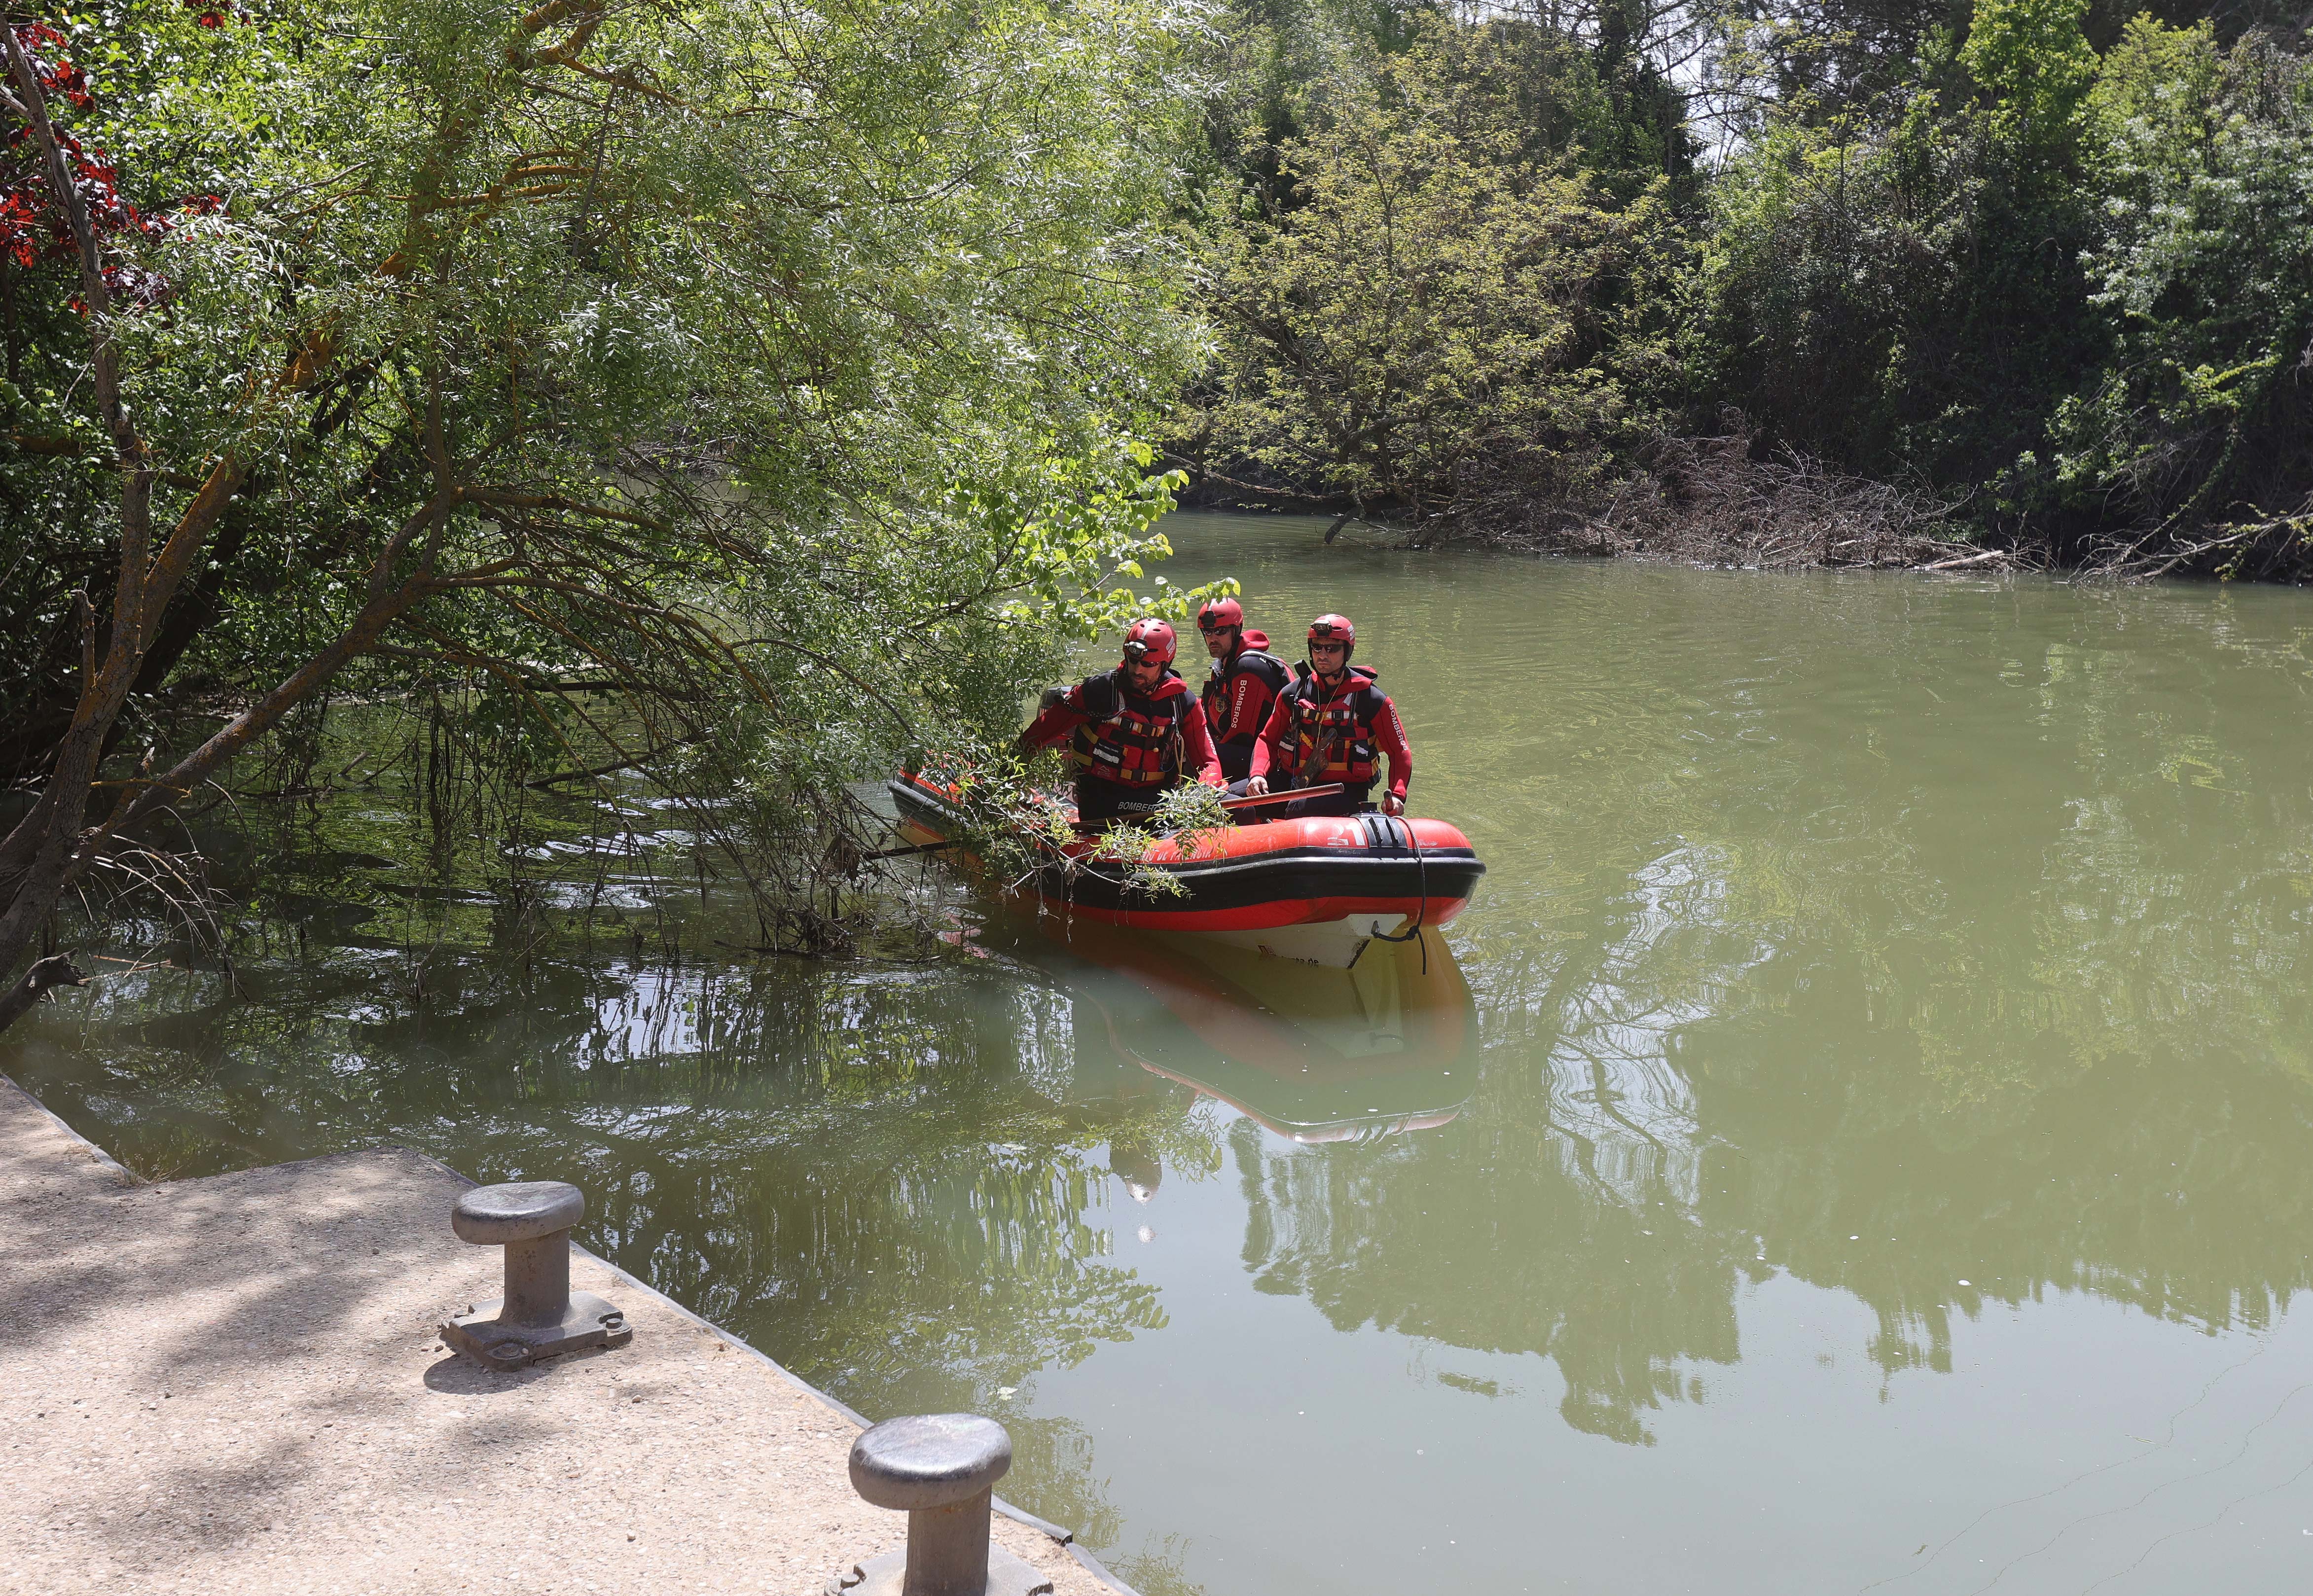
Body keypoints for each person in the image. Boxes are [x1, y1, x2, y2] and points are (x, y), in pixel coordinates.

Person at [1017, 618, 1225, 826]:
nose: (1137, 670)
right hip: (1101, 800)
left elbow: (1209, 763)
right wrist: (1006, 776)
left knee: (1236, 809)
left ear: (1165, 664)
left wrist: (1202, 794)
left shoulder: (1182, 702)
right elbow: (1038, 733)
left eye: (1148, 664)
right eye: (1133, 660)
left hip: (1158, 799)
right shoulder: (1100, 691)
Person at [1245, 613, 1411, 817]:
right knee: (1234, 802)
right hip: (1296, 781)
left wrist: (1397, 795)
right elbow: (1267, 739)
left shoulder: (1371, 699)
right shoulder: (1292, 694)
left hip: (1345, 790)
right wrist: (1257, 776)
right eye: (1317, 647)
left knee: (1299, 809)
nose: (1323, 655)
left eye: (1332, 648)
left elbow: (1399, 751)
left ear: (1347, 652)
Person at [1195, 596, 1291, 784]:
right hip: (1246, 754)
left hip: (1269, 763)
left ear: (1236, 630)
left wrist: (1206, 753)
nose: (1213, 638)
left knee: (1197, 752)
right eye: (1208, 632)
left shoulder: (1249, 668)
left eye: (1221, 631)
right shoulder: (1224, 664)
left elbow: (1241, 735)